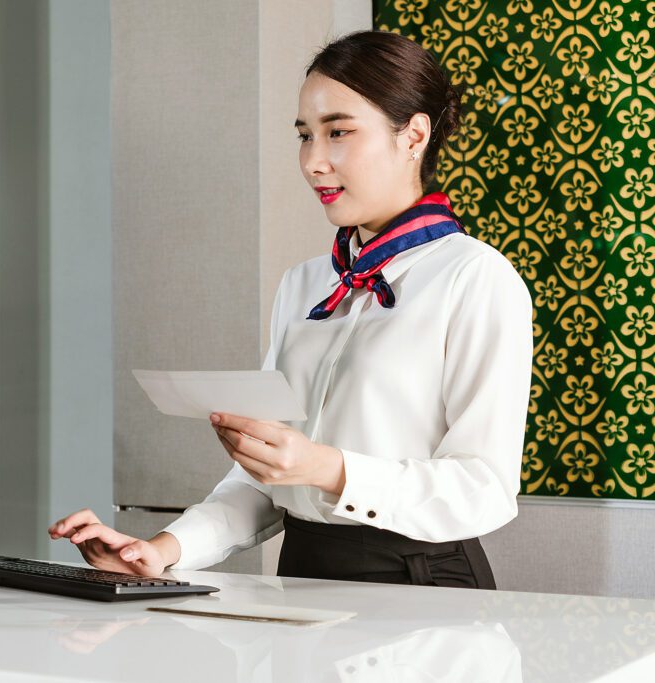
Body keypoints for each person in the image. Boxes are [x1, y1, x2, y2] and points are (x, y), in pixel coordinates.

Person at [49, 30, 533, 589]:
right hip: (305, 575)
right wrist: (159, 552)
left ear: (413, 136)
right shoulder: (303, 284)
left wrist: (327, 469)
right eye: (305, 135)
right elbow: (266, 484)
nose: (313, 162)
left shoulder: (475, 279)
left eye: (339, 132)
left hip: (424, 583)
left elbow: (484, 489)